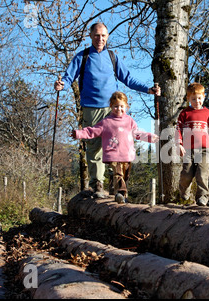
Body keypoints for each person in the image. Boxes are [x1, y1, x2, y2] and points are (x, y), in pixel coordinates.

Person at [54, 22, 160, 198]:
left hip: (113, 111)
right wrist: (61, 85)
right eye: (96, 35)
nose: (100, 39)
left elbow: (128, 78)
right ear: (90, 36)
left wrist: (148, 89)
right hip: (90, 108)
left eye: (103, 35)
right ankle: (97, 184)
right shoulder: (83, 57)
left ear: (107, 36)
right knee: (94, 147)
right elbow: (67, 77)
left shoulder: (112, 57)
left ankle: (117, 186)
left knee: (117, 147)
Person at [71, 91, 158, 204]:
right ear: (111, 107)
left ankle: (120, 195)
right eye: (116, 106)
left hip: (127, 154)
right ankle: (120, 194)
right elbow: (92, 131)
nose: (119, 109)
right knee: (118, 174)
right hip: (113, 154)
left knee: (125, 176)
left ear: (126, 106)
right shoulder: (106, 122)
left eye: (122, 106)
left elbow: (137, 133)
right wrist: (78, 134)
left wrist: (150, 137)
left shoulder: (129, 121)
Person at [176, 82, 209, 206]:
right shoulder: (184, 113)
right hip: (188, 148)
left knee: (202, 173)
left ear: (204, 97)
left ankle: (202, 197)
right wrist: (179, 144)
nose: (197, 101)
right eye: (193, 99)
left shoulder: (207, 113)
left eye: (199, 98)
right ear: (188, 99)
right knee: (187, 173)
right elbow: (178, 130)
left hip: (205, 148)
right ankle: (184, 191)